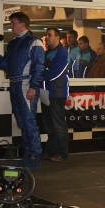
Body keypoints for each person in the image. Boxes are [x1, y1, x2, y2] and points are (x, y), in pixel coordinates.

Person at [0, 12, 44, 171]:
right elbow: (6, 65)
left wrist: (33, 86)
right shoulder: (12, 44)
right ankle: (28, 154)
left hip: (25, 84)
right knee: (22, 121)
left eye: (13, 23)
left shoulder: (34, 42)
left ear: (22, 24)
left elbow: (39, 66)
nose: (11, 25)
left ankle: (35, 156)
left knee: (29, 121)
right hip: (14, 83)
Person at [41, 28, 69, 162]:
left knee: (58, 125)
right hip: (46, 93)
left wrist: (38, 77)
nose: (47, 37)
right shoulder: (48, 52)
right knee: (49, 125)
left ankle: (62, 153)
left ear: (57, 37)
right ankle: (51, 151)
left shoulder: (62, 53)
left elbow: (55, 72)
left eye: (50, 35)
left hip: (57, 93)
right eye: (46, 35)